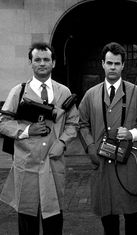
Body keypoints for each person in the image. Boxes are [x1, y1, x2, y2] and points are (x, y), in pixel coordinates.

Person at [0, 42, 79, 235]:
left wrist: (61, 143)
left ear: (53, 63)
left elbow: (73, 123)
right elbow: (3, 122)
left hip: (53, 164)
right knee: (28, 221)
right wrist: (28, 129)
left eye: (46, 59)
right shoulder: (18, 91)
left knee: (54, 220)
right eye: (37, 59)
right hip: (26, 165)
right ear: (31, 63)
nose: (42, 63)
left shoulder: (64, 92)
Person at [78, 42, 137, 235]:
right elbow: (81, 124)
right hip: (102, 163)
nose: (113, 67)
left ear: (123, 65)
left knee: (133, 218)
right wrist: (90, 148)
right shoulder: (90, 94)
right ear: (102, 63)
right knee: (108, 218)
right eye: (109, 62)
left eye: (117, 63)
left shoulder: (136, 92)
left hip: (128, 163)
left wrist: (132, 134)